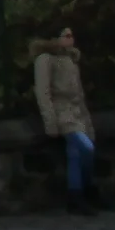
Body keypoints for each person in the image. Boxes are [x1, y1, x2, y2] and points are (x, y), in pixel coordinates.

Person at [33, 26, 105, 215]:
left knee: (75, 154)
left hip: (77, 114)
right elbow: (43, 93)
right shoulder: (45, 60)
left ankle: (77, 194)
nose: (71, 39)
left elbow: (79, 95)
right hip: (62, 114)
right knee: (86, 148)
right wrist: (51, 122)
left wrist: (87, 120)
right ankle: (86, 188)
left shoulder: (71, 60)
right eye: (66, 36)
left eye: (72, 35)